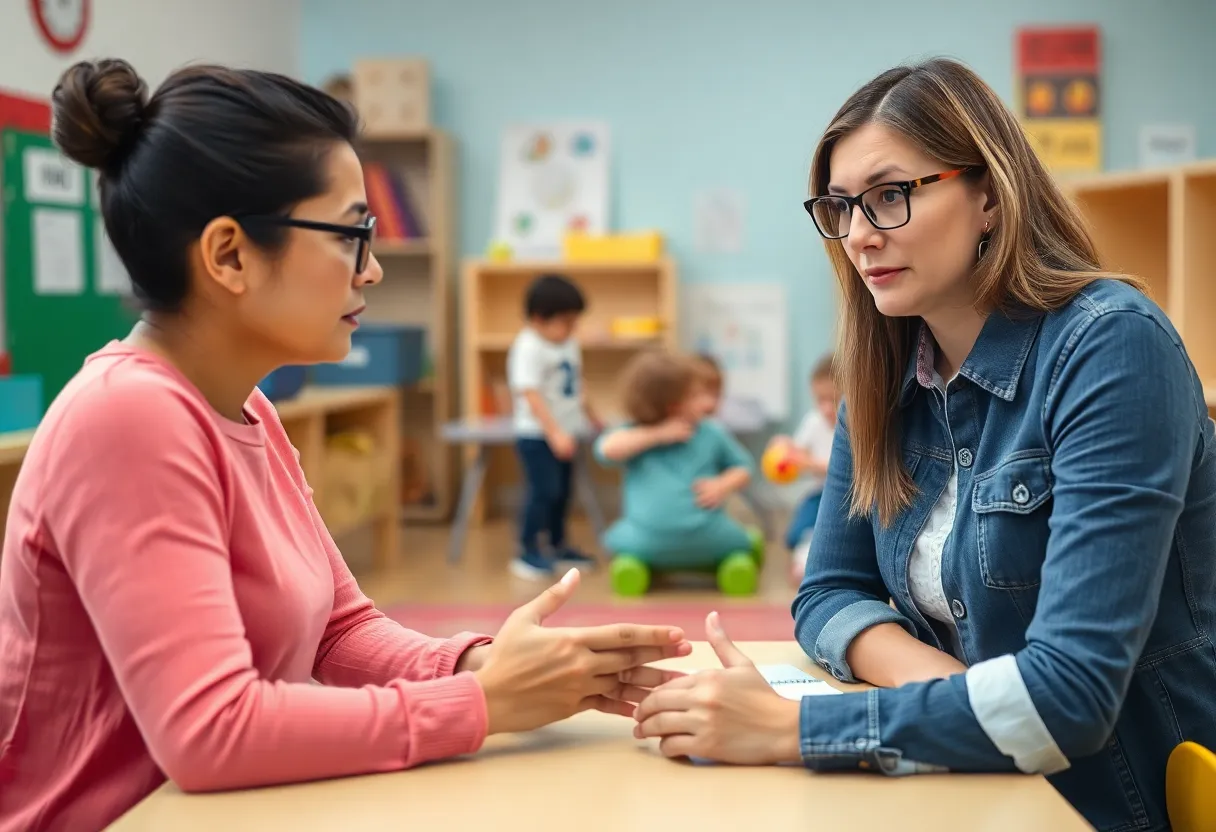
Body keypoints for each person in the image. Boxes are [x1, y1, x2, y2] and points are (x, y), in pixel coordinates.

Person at [0, 59, 688, 832]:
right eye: (353, 234)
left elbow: (341, 629)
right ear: (228, 255)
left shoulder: (244, 405)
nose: (375, 267)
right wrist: (479, 704)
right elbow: (209, 733)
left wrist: (483, 664)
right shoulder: (126, 419)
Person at [630, 57, 1216, 832]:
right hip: (963, 776)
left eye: (890, 196)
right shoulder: (881, 370)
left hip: (1109, 800)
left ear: (990, 197)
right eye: (840, 208)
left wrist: (788, 730)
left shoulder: (1112, 347)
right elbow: (829, 588)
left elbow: (1069, 700)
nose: (860, 236)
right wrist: (951, 688)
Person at [595, 350, 761, 596]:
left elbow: (604, 449)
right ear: (673, 406)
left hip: (643, 541)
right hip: (711, 538)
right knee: (745, 541)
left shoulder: (637, 433)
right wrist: (658, 434)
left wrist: (721, 485)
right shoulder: (709, 431)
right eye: (696, 395)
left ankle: (634, 566)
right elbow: (745, 467)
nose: (707, 402)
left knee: (613, 540)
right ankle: (738, 557)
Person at [506, 273, 601, 579]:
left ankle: (559, 546)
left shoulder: (567, 342)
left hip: (566, 433)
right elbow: (530, 394)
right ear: (538, 318)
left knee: (562, 493)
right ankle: (528, 550)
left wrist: (592, 414)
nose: (572, 329)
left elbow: (576, 383)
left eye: (575, 322)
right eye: (566, 322)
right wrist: (554, 433)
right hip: (538, 436)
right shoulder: (529, 347)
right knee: (543, 492)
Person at [763, 352, 838, 585]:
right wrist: (783, 446)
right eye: (819, 400)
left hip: (853, 498)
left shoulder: (857, 423)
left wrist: (807, 463)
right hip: (821, 494)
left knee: (828, 531)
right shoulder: (814, 421)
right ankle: (803, 563)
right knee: (799, 531)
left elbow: (850, 469)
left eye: (834, 400)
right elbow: (797, 450)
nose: (826, 408)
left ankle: (819, 564)